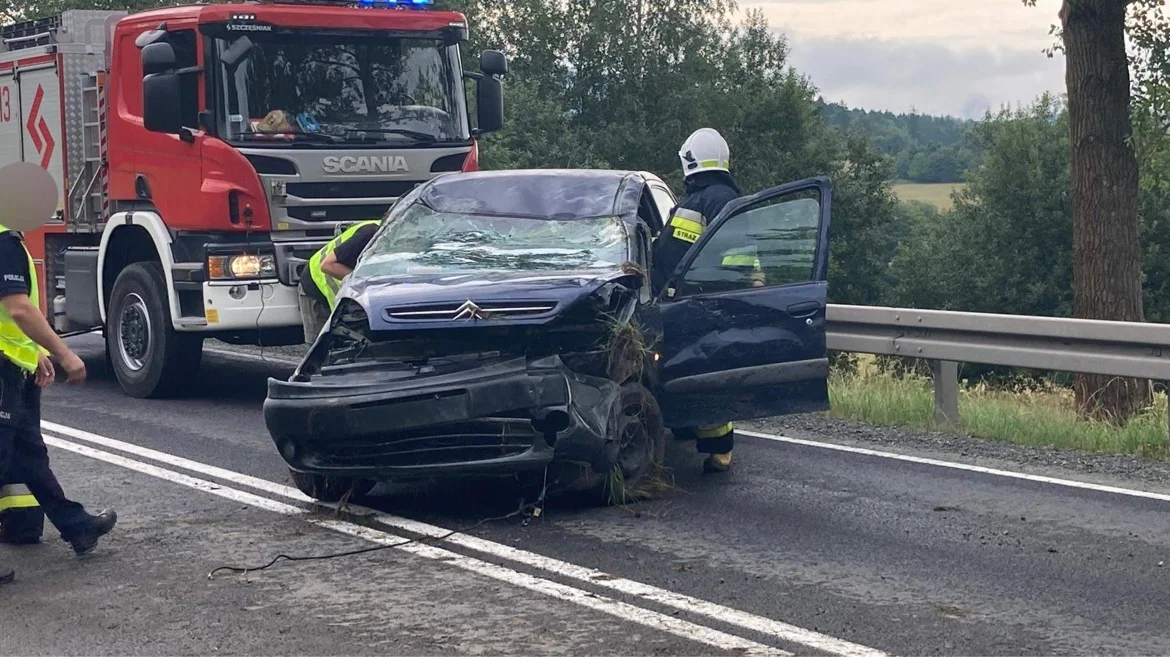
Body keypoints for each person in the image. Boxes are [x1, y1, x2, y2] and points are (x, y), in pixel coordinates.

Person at [0, 222, 116, 586]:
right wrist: (63, 352)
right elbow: (18, 308)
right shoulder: (3, 241)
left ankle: (78, 527)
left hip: (13, 363)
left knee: (30, 455)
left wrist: (32, 351)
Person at [651, 127, 744, 474]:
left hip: (702, 300)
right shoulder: (705, 198)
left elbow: (731, 253)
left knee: (706, 373)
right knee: (687, 370)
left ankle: (720, 449)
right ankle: (689, 425)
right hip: (682, 301)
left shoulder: (717, 198)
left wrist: (718, 293)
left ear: (691, 161)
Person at [298, 220, 380, 343]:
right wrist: (366, 283)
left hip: (346, 292)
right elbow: (327, 265)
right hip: (315, 284)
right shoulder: (371, 234)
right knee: (321, 348)